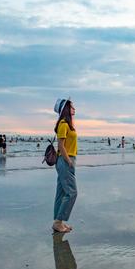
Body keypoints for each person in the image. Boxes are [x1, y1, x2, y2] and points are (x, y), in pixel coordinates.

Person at [52, 98, 78, 233]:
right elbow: (60, 145)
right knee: (72, 192)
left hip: (66, 159)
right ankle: (58, 222)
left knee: (61, 192)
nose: (74, 109)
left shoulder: (67, 124)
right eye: (72, 107)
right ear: (66, 109)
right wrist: (68, 161)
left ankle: (58, 221)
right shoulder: (63, 124)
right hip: (65, 160)